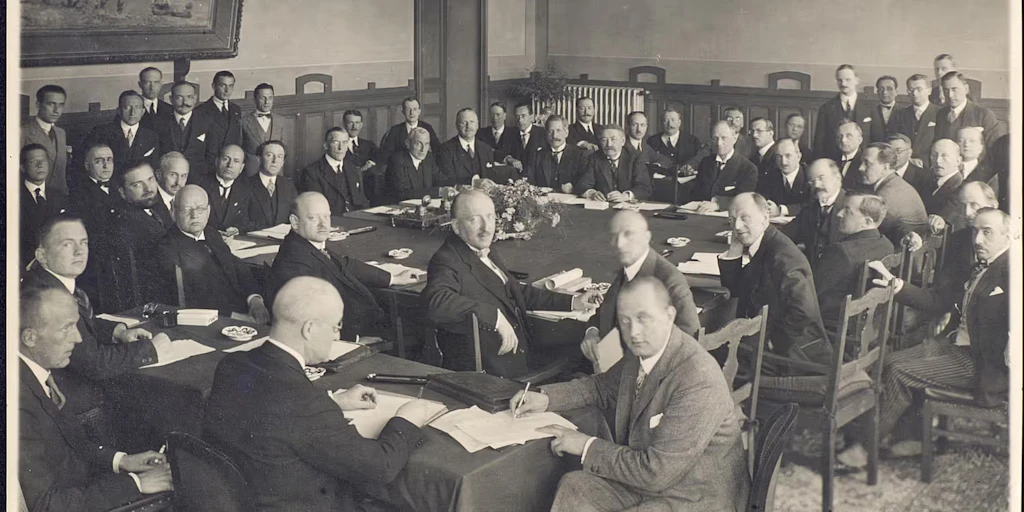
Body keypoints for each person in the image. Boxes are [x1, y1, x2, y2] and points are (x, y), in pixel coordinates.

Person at [514, 277, 749, 511]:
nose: (634, 332)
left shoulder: (698, 378)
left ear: (669, 316)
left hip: (697, 497)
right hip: (658, 485)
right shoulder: (644, 352)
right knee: (575, 486)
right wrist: (546, 398)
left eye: (643, 319)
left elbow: (656, 473)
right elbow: (601, 387)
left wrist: (586, 446)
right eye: (625, 321)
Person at [203, 276, 437, 512]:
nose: (337, 336)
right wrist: (406, 421)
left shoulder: (233, 364)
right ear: (310, 329)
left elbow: (274, 410)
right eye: (336, 326)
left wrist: (335, 401)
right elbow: (382, 467)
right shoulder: (307, 404)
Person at [864, 208, 1010, 458]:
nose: (977, 240)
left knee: (899, 373)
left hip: (982, 364)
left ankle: (864, 448)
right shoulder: (981, 265)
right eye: (975, 231)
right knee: (888, 361)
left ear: (1010, 236)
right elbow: (939, 301)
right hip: (956, 345)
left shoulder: (1012, 271)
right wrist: (895, 284)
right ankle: (909, 437)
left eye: (987, 233)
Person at [19, 287, 173, 512]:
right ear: (29, 337)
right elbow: (46, 505)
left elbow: (67, 448)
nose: (78, 338)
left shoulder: (34, 374)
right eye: (66, 328)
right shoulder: (18, 404)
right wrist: (136, 484)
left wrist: (122, 461)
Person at [422, 190, 599, 377]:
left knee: (590, 332)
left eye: (490, 217)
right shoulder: (447, 259)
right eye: (474, 220)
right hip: (503, 368)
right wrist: (494, 317)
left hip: (522, 344)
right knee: (588, 348)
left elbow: (516, 292)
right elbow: (435, 301)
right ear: (456, 226)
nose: (486, 227)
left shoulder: (483, 250)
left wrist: (573, 302)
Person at [21, 216, 168, 382]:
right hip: (66, 390)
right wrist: (149, 349)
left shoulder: (50, 281)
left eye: (83, 242)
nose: (79, 251)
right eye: (67, 244)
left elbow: (81, 324)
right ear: (42, 255)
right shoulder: (48, 297)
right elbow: (93, 364)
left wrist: (118, 332)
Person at [266, 192, 419, 341]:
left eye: (326, 216)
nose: (323, 224)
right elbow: (306, 316)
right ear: (294, 222)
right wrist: (354, 339)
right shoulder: (294, 260)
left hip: (362, 323)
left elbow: (345, 264)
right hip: (349, 335)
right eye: (313, 218)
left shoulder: (308, 245)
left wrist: (394, 278)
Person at [719, 192, 831, 364]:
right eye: (732, 219)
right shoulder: (766, 243)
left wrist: (771, 342)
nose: (737, 226)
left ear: (764, 218)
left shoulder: (782, 257)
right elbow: (736, 289)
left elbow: (803, 312)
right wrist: (734, 249)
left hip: (796, 354)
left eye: (745, 218)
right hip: (777, 340)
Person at [579, 211, 701, 365]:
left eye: (628, 234)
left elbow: (689, 337)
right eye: (614, 236)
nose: (619, 243)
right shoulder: (628, 270)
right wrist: (592, 333)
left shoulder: (669, 279)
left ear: (647, 237)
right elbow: (604, 313)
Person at [156, 185, 269, 322]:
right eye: (186, 209)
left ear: (208, 211)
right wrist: (235, 317)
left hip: (243, 311)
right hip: (212, 322)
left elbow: (238, 268)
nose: (194, 215)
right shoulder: (167, 248)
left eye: (200, 209)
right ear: (173, 213)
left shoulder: (212, 233)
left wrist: (255, 300)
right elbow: (192, 300)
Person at [812, 194, 894, 333]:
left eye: (847, 211)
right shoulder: (886, 245)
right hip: (866, 323)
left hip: (832, 326)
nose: (839, 214)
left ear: (867, 222)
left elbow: (813, 294)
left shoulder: (841, 252)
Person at [108, 161, 174, 306]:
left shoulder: (154, 208)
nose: (148, 188)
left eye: (150, 180)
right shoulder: (124, 224)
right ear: (122, 192)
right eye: (137, 185)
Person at [857, 142, 928, 245]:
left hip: (903, 254)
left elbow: (867, 232)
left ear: (885, 168)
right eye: (861, 162)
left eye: (867, 163)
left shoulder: (887, 194)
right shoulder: (894, 182)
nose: (861, 168)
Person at [782, 159, 848, 268]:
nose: (816, 185)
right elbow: (787, 235)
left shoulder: (851, 207)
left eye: (821, 178)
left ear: (837, 178)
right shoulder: (810, 208)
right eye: (812, 181)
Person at [152, 80, 223, 179]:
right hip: (168, 180)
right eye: (179, 98)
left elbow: (212, 153)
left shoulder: (207, 121)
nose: (185, 102)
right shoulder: (159, 123)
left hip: (199, 178)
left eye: (189, 97)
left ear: (195, 99)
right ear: (171, 99)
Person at [78, 90, 160, 172]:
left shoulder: (151, 136)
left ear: (143, 112)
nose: (132, 112)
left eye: (137, 107)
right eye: (127, 107)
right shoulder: (101, 132)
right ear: (119, 110)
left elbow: (154, 166)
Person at [689, 121, 758, 213]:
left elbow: (744, 200)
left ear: (734, 138)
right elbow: (696, 193)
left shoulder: (748, 168)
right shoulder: (706, 162)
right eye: (715, 138)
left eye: (724, 138)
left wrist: (718, 204)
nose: (719, 143)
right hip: (701, 213)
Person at [20, 144, 70, 268]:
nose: (40, 165)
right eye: (33, 161)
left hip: (59, 263)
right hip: (27, 266)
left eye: (43, 160)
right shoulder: (13, 197)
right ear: (22, 167)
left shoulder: (60, 197)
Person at [299, 127, 370, 214]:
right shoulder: (312, 172)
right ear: (325, 145)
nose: (341, 148)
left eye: (344, 142)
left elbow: (362, 201)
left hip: (356, 218)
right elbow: (316, 208)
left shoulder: (352, 168)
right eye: (336, 142)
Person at [575, 125, 652, 202]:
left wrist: (625, 196)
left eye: (613, 139)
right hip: (603, 207)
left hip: (629, 208)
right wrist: (592, 194)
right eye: (604, 140)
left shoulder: (635, 157)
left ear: (622, 141)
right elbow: (582, 185)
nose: (609, 144)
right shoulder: (595, 158)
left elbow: (644, 188)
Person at [815, 65, 872, 160]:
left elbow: (875, 139)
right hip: (834, 162)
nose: (843, 83)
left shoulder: (870, 108)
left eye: (848, 79)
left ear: (857, 80)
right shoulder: (826, 109)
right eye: (840, 80)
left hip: (863, 162)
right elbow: (819, 143)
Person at [21, 84, 70, 194]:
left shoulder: (61, 133)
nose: (56, 110)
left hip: (60, 197)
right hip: (33, 197)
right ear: (38, 104)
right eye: (51, 104)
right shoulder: (23, 132)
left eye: (60, 105)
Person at [934, 72, 1004, 147]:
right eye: (946, 90)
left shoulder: (983, 115)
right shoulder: (941, 114)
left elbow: (995, 148)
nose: (950, 95)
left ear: (966, 89)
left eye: (954, 89)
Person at [195, 144, 253, 234]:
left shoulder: (245, 189)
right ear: (217, 161)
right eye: (226, 159)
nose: (230, 165)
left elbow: (247, 221)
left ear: (241, 168)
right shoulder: (200, 185)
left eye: (236, 161)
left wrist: (237, 229)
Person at [437, 108, 501, 185]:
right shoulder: (446, 149)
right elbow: (448, 180)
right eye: (464, 122)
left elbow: (491, 177)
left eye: (472, 122)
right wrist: (473, 182)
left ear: (477, 125)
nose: (468, 127)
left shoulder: (486, 148)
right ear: (457, 125)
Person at [245, 140, 298, 230]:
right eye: (269, 155)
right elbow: (241, 220)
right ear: (259, 159)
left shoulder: (288, 185)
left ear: (283, 162)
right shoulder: (245, 185)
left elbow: (296, 215)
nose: (275, 161)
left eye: (279, 156)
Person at [377, 97, 441, 171]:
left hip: (423, 168)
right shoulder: (395, 130)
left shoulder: (427, 127)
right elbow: (387, 153)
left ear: (419, 111)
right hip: (402, 168)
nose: (411, 113)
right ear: (403, 112)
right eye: (408, 109)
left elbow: (437, 149)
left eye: (415, 109)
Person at [240, 83, 288, 177]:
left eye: (270, 98)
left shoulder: (281, 121)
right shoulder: (243, 122)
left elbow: (284, 149)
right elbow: (240, 150)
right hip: (252, 172)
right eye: (263, 98)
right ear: (255, 100)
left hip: (275, 171)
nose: (267, 102)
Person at [528, 114, 585, 192]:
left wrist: (574, 187)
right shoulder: (537, 155)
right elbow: (528, 179)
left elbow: (585, 181)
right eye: (550, 131)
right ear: (546, 134)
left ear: (566, 133)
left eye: (558, 130)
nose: (554, 136)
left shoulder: (579, 155)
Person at [385, 127, 444, 202]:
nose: (423, 149)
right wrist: (439, 192)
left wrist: (457, 186)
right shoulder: (397, 160)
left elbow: (440, 179)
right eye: (418, 144)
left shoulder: (428, 157)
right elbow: (403, 193)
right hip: (398, 207)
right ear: (408, 144)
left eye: (426, 144)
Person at [756, 138, 808, 217]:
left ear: (798, 156)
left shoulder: (809, 175)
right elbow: (763, 200)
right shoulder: (770, 177)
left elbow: (811, 205)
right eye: (779, 156)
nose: (783, 162)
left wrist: (781, 210)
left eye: (788, 156)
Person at [897, 74, 940, 168]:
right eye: (911, 89)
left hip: (930, 166)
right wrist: (908, 160)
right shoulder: (900, 114)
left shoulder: (940, 113)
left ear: (929, 90)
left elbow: (940, 141)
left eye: (919, 89)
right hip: (905, 165)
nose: (915, 93)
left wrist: (923, 160)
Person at [342, 110, 382, 204]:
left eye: (357, 123)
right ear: (344, 124)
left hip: (369, 193)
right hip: (348, 192)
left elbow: (380, 156)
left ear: (361, 125)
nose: (354, 127)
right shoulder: (339, 147)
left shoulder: (368, 145)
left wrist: (371, 162)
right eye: (350, 123)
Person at [194, 70, 243, 146]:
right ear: (214, 86)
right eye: (223, 85)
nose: (227, 90)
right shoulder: (201, 110)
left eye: (230, 86)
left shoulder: (236, 109)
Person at [647, 106, 702, 172]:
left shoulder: (693, 141)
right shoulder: (652, 141)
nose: (670, 124)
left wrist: (690, 166)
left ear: (679, 123)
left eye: (673, 120)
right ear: (662, 123)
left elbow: (700, 159)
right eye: (666, 120)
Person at [923, 139, 964, 218]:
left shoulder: (959, 188)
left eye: (944, 156)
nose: (938, 161)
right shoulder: (927, 181)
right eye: (934, 155)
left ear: (958, 161)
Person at [506, 103, 548, 170]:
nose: (520, 120)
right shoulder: (510, 134)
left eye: (523, 116)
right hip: (515, 177)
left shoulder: (543, 133)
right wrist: (510, 159)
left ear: (531, 117)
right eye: (517, 117)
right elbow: (501, 152)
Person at [154, 150, 190, 215]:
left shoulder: (185, 199)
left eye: (183, 176)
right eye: (173, 175)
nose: (178, 182)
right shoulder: (150, 200)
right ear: (159, 175)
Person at [834, 119, 867, 191]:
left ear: (859, 140)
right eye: (840, 136)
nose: (843, 140)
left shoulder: (865, 161)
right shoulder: (832, 160)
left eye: (849, 136)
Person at [869, 76, 900, 142]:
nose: (885, 92)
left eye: (889, 89)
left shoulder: (905, 112)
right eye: (881, 89)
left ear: (896, 91)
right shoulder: (869, 112)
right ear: (877, 92)